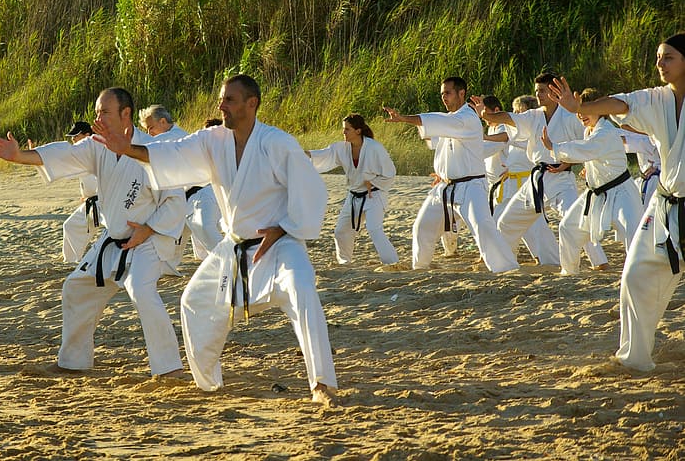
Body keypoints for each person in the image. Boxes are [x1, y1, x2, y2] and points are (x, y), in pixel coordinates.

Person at [92, 75, 339, 406]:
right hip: (234, 246)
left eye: (230, 100)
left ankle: (322, 383)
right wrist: (130, 149)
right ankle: (208, 383)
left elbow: (311, 189)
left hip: (281, 244)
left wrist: (283, 228)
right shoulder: (214, 140)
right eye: (221, 99)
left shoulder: (276, 143)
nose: (221, 105)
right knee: (193, 302)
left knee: (303, 293)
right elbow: (174, 150)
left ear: (252, 104)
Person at [0, 88, 186, 377]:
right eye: (96, 113)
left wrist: (149, 229)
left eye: (104, 112)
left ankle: (169, 369)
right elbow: (64, 153)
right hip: (113, 239)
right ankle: (73, 362)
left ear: (125, 114)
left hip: (147, 239)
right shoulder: (96, 146)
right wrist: (19, 155)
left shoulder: (150, 151)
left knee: (141, 290)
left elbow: (175, 200)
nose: (98, 118)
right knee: (76, 288)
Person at [547, 34, 685, 372]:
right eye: (657, 56)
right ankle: (634, 358)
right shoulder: (658, 99)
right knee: (635, 276)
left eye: (667, 57)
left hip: (644, 195)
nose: (659, 64)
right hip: (667, 204)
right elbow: (621, 104)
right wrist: (579, 108)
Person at [385, 77, 519, 273]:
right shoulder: (449, 120)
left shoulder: (467, 118)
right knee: (422, 227)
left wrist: (404, 118)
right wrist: (442, 172)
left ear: (461, 93)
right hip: (444, 187)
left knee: (483, 228)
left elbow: (435, 120)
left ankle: (506, 268)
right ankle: (419, 268)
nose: (444, 98)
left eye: (447, 93)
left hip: (471, 186)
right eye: (442, 94)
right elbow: (438, 136)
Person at [480, 73, 601, 267]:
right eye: (536, 91)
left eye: (542, 91)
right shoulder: (533, 116)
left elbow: (586, 143)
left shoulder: (569, 116)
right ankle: (505, 265)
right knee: (506, 223)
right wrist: (485, 115)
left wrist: (570, 163)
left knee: (576, 221)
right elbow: (509, 118)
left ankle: (600, 262)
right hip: (536, 180)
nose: (538, 95)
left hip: (560, 178)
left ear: (553, 91)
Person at [541, 89, 644, 275]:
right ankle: (569, 272)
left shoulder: (606, 131)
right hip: (595, 193)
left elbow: (588, 149)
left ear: (600, 109)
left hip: (621, 192)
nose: (580, 115)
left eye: (585, 110)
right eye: (578, 111)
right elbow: (590, 152)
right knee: (568, 228)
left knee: (633, 234)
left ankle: (638, 277)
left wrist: (554, 147)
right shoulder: (589, 130)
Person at [308, 113, 398, 265]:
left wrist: (374, 182)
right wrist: (301, 155)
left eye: (347, 129)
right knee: (341, 231)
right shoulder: (341, 148)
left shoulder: (374, 148)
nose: (343, 132)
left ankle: (392, 263)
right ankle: (345, 262)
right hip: (354, 196)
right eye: (343, 129)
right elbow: (323, 154)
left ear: (358, 131)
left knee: (374, 229)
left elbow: (390, 173)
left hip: (374, 195)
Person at [139, 105, 224, 261]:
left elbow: (143, 146)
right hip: (186, 200)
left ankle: (237, 265)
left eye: (150, 128)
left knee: (207, 232)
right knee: (190, 249)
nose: (149, 133)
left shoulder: (174, 137)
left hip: (201, 194)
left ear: (163, 122)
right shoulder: (171, 138)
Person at [483, 95, 561, 262]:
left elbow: (512, 141)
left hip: (527, 181)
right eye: (515, 111)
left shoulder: (535, 130)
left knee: (535, 225)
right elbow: (515, 151)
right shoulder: (516, 132)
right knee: (500, 222)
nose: (516, 114)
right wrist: (509, 168)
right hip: (511, 182)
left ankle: (549, 259)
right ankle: (504, 257)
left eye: (519, 111)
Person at [60, 121, 101, 264]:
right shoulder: (82, 153)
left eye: (76, 136)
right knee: (70, 226)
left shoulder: (97, 149)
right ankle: (71, 261)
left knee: (119, 233)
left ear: (87, 135)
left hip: (107, 202)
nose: (73, 139)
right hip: (93, 203)